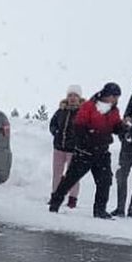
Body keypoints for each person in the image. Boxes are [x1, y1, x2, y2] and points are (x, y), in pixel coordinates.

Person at [49, 82, 124, 219]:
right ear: (107, 95)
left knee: (105, 181)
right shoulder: (89, 106)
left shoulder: (114, 110)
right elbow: (79, 125)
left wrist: (123, 127)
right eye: (115, 97)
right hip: (85, 152)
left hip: (102, 152)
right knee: (70, 179)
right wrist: (86, 140)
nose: (116, 100)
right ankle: (55, 203)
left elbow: (116, 127)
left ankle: (100, 210)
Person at [49, 85, 84, 208]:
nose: (72, 98)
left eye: (75, 95)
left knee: (73, 175)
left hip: (74, 149)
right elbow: (53, 124)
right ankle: (55, 196)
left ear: (79, 98)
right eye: (70, 95)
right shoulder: (61, 111)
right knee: (57, 173)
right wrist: (55, 132)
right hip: (59, 147)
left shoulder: (83, 112)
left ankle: (72, 199)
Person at [111, 78, 132, 218]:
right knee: (121, 175)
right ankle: (120, 208)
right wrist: (126, 124)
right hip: (129, 142)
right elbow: (127, 115)